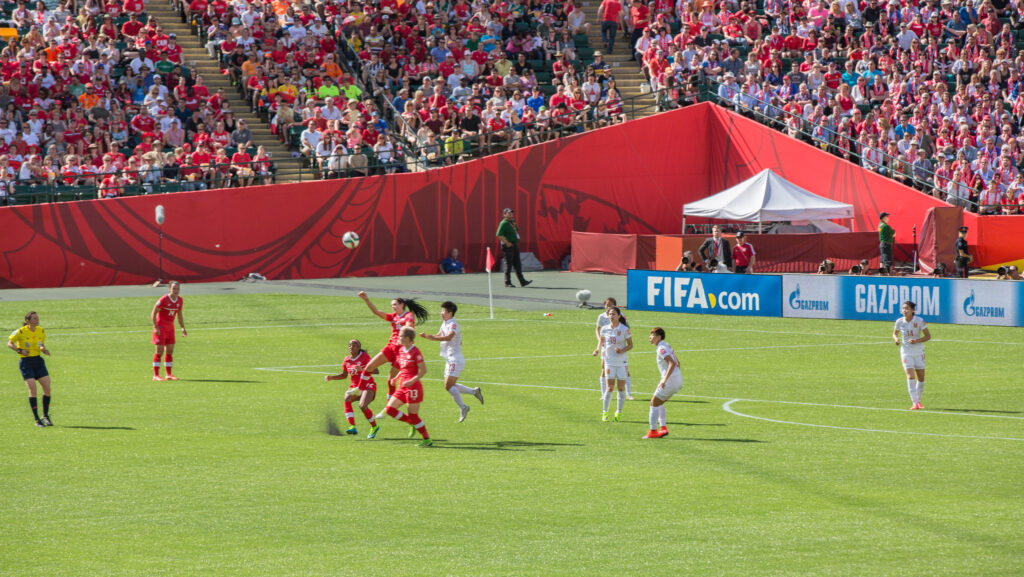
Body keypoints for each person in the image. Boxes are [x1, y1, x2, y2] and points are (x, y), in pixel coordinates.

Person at [356, 292, 429, 399]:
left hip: (402, 352)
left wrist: (403, 336)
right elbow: (376, 312)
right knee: (369, 366)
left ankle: (390, 403)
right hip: (391, 348)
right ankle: (358, 390)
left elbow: (409, 327)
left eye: (395, 304)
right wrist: (366, 299)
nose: (393, 307)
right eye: (392, 305)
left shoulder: (408, 316)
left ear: (402, 304)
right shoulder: (392, 317)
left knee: (391, 379)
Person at [420, 301, 483, 422]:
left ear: (450, 312)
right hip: (449, 359)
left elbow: (448, 337)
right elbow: (439, 335)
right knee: (450, 385)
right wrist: (428, 336)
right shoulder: (444, 323)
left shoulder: (453, 324)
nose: (441, 313)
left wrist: (432, 337)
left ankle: (463, 407)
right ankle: (474, 392)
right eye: (441, 311)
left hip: (455, 358)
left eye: (444, 311)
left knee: (448, 386)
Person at [374, 327, 433, 447]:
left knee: (413, 415)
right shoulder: (401, 350)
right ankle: (412, 423)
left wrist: (412, 381)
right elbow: (403, 367)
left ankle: (427, 439)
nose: (398, 338)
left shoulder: (415, 352)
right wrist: (396, 378)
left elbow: (423, 370)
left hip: (413, 388)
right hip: (402, 386)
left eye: (400, 336)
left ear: (407, 338)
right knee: (390, 409)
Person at [324, 339, 380, 438]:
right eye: (350, 345)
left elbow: (376, 370)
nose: (351, 347)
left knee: (362, 406)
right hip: (355, 387)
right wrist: (331, 377)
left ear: (358, 348)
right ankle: (352, 426)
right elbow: (344, 375)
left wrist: (362, 369)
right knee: (347, 398)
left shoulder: (364, 357)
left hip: (367, 385)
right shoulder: (347, 360)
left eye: (354, 346)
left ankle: (374, 427)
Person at [8, 312, 53, 427]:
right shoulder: (21, 331)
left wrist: (44, 349)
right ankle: (37, 419)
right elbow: (10, 343)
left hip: (38, 362)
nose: (37, 320)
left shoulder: (41, 330)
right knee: (33, 390)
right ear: (28, 320)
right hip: (26, 363)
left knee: (47, 389)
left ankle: (45, 416)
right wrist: (20, 350)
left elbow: (40, 344)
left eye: (37, 318)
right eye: (34, 318)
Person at [644, 327, 682, 439]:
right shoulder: (666, 345)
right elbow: (677, 362)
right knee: (659, 402)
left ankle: (653, 431)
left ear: (659, 337)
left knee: (653, 403)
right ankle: (663, 428)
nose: (650, 337)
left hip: (670, 380)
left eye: (652, 335)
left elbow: (671, 363)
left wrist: (665, 380)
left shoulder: (661, 348)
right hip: (677, 379)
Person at [596, 307, 632, 422]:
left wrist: (622, 350)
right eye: (610, 314)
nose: (611, 316)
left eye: (614, 314)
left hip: (622, 362)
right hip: (609, 362)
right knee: (610, 388)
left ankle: (618, 412)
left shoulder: (625, 329)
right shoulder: (604, 329)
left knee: (621, 388)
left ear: (619, 316)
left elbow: (631, 345)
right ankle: (605, 412)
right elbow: (601, 342)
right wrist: (597, 349)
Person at [893, 300, 931, 410]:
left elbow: (928, 336)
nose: (904, 311)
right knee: (910, 376)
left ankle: (918, 401)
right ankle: (915, 403)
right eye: (903, 308)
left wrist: (917, 341)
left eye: (907, 309)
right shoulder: (899, 322)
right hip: (906, 352)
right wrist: (896, 339)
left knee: (921, 379)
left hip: (919, 352)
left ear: (913, 310)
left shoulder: (919, 321)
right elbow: (895, 333)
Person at [593, 297, 633, 399]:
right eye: (607, 305)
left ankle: (628, 394)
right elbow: (597, 330)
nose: (608, 307)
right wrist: (599, 345)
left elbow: (627, 330)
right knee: (603, 368)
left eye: (610, 305)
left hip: (619, 348)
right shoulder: (601, 317)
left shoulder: (621, 317)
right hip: (606, 348)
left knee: (625, 371)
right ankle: (604, 394)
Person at [151, 281, 186, 381]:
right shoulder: (163, 300)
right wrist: (156, 327)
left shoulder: (180, 300)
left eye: (177, 289)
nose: (176, 291)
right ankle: (156, 375)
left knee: (170, 351)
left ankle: (168, 374)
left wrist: (182, 328)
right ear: (169, 289)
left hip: (170, 329)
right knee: (159, 352)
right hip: (161, 328)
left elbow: (179, 315)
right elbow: (153, 313)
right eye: (174, 289)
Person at [496, 208, 532, 288]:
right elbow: (499, 235)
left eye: (511, 213)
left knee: (517, 263)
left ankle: (522, 281)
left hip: (514, 244)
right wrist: (507, 243)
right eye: (508, 213)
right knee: (508, 264)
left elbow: (516, 231)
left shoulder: (512, 222)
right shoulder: (503, 223)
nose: (511, 214)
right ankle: (507, 282)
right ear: (504, 215)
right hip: (508, 245)